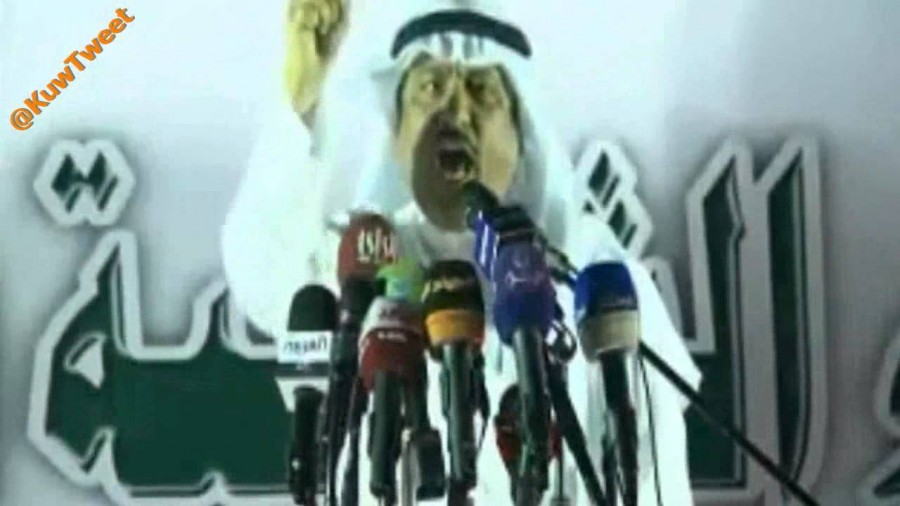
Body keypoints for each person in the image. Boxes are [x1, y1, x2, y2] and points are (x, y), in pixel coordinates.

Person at [221, 0, 702, 503]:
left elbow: (654, 476)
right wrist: (299, 102)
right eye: (431, 88)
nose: (456, 112)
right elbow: (264, 272)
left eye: (482, 90)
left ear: (522, 134)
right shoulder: (364, 262)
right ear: (397, 136)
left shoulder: (589, 271)